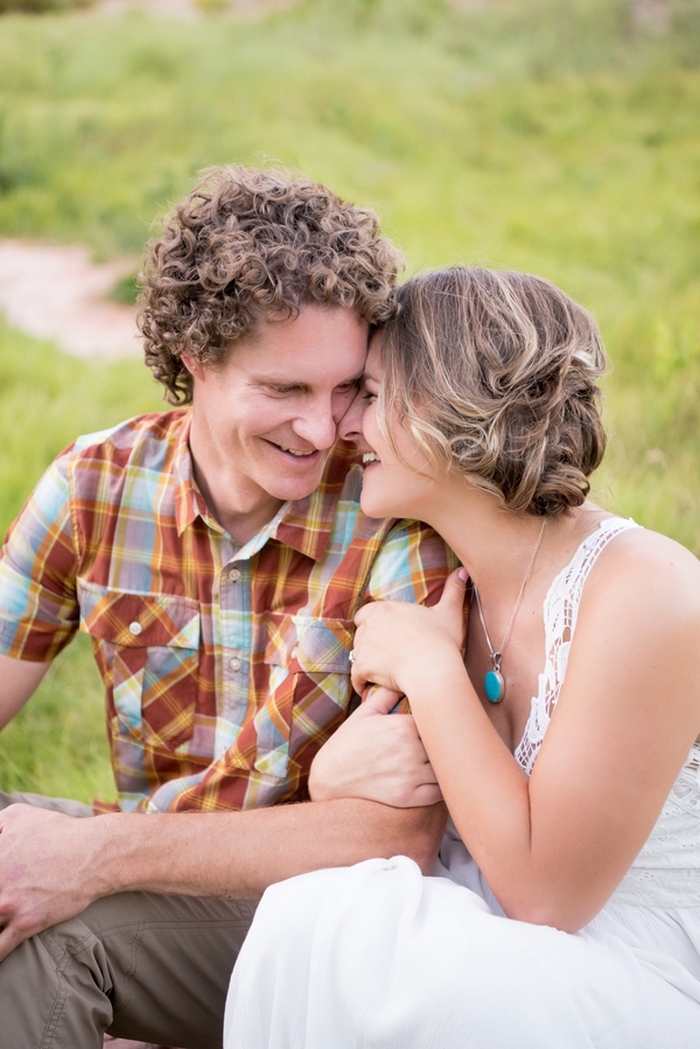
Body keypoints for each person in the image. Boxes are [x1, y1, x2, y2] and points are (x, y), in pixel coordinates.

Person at [0, 167, 452, 1049]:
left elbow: (399, 833)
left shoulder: (394, 517)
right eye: (285, 390)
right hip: (151, 870)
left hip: (312, 913)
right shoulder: (95, 484)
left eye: (345, 389)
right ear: (196, 360)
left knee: (41, 934)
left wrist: (94, 858)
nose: (323, 432)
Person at [224, 266, 700, 1048]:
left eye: (371, 396)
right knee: (318, 915)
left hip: (640, 966)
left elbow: (548, 897)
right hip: (507, 935)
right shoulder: (438, 576)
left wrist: (431, 670)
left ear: (450, 406)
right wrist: (331, 776)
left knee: (416, 965)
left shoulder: (645, 591)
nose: (345, 427)